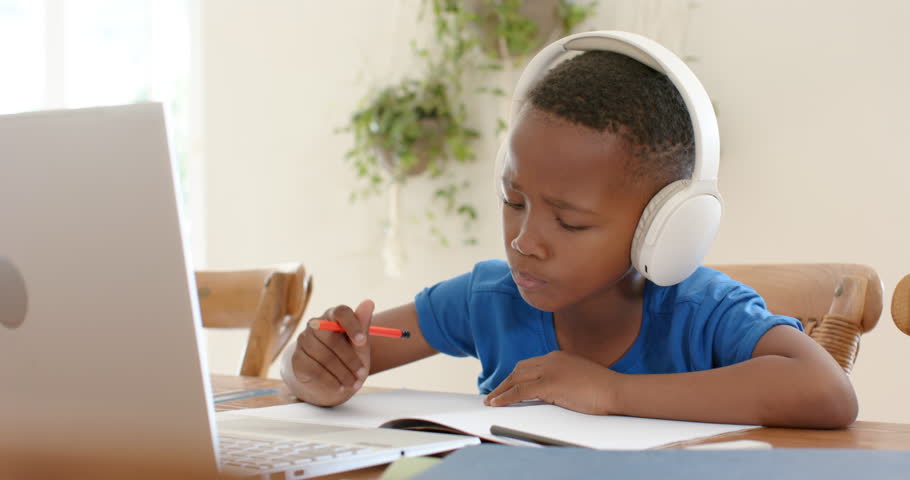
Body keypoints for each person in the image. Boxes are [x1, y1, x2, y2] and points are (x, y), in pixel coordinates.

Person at [281, 34, 857, 429]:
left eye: (571, 220)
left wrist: (612, 393)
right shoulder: (489, 301)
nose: (524, 240)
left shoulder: (702, 311)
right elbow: (349, 352)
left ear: (664, 227)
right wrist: (313, 367)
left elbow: (829, 394)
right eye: (512, 200)